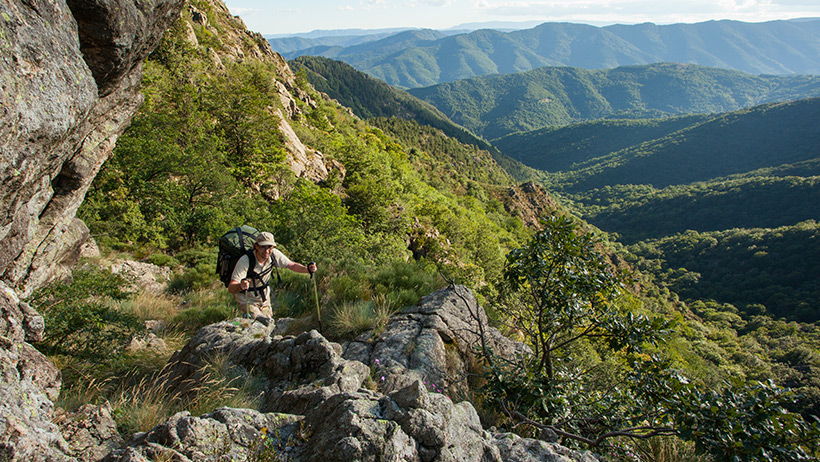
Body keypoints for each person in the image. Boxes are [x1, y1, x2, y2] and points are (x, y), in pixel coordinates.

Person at [227, 231, 317, 318]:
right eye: (263, 247)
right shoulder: (245, 261)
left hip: (264, 300)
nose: (266, 251)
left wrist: (308, 269)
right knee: (258, 322)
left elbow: (292, 265)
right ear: (256, 246)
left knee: (268, 323)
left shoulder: (274, 254)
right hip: (247, 299)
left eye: (269, 247)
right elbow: (231, 287)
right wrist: (240, 286)